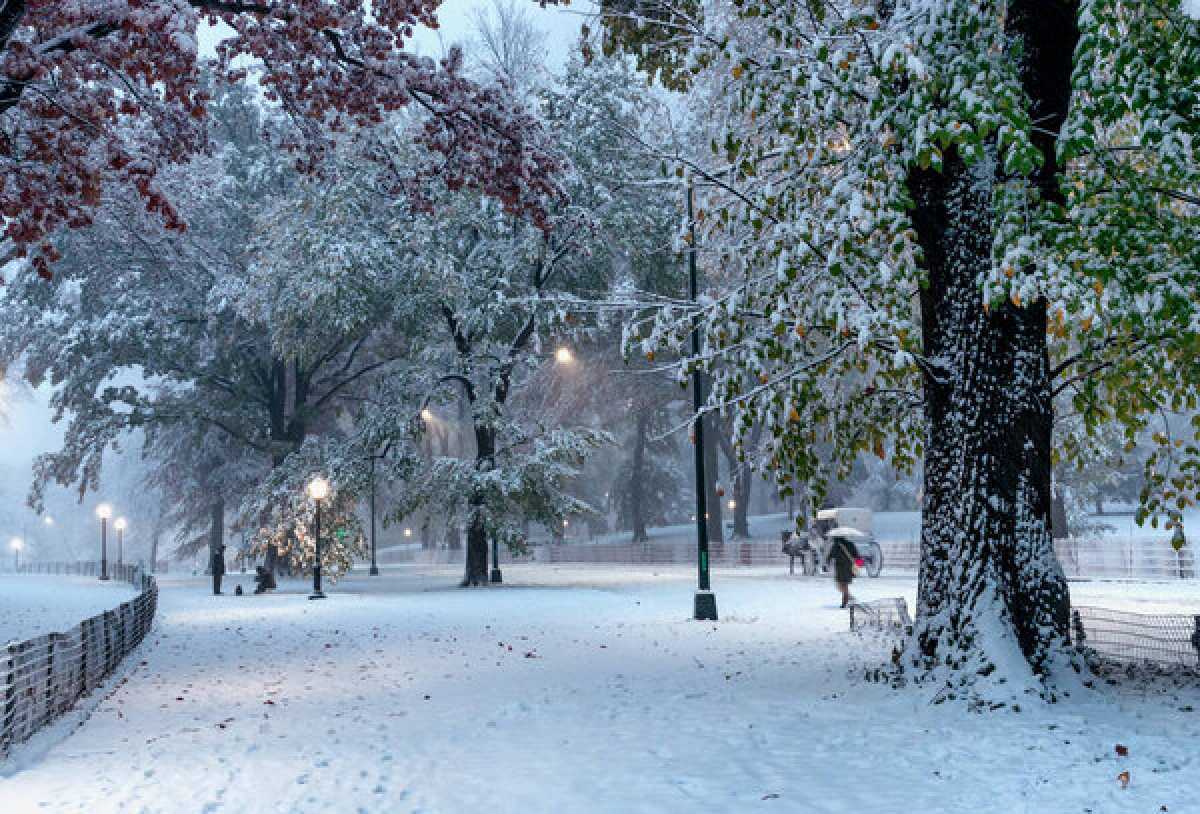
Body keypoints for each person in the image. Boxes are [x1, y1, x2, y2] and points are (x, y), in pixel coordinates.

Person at [826, 535, 859, 609]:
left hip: (840, 568)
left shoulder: (836, 546)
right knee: (844, 584)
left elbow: (830, 557)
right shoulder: (850, 544)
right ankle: (848, 598)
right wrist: (858, 566)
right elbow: (857, 556)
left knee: (842, 584)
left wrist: (827, 563)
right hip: (849, 568)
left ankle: (845, 601)